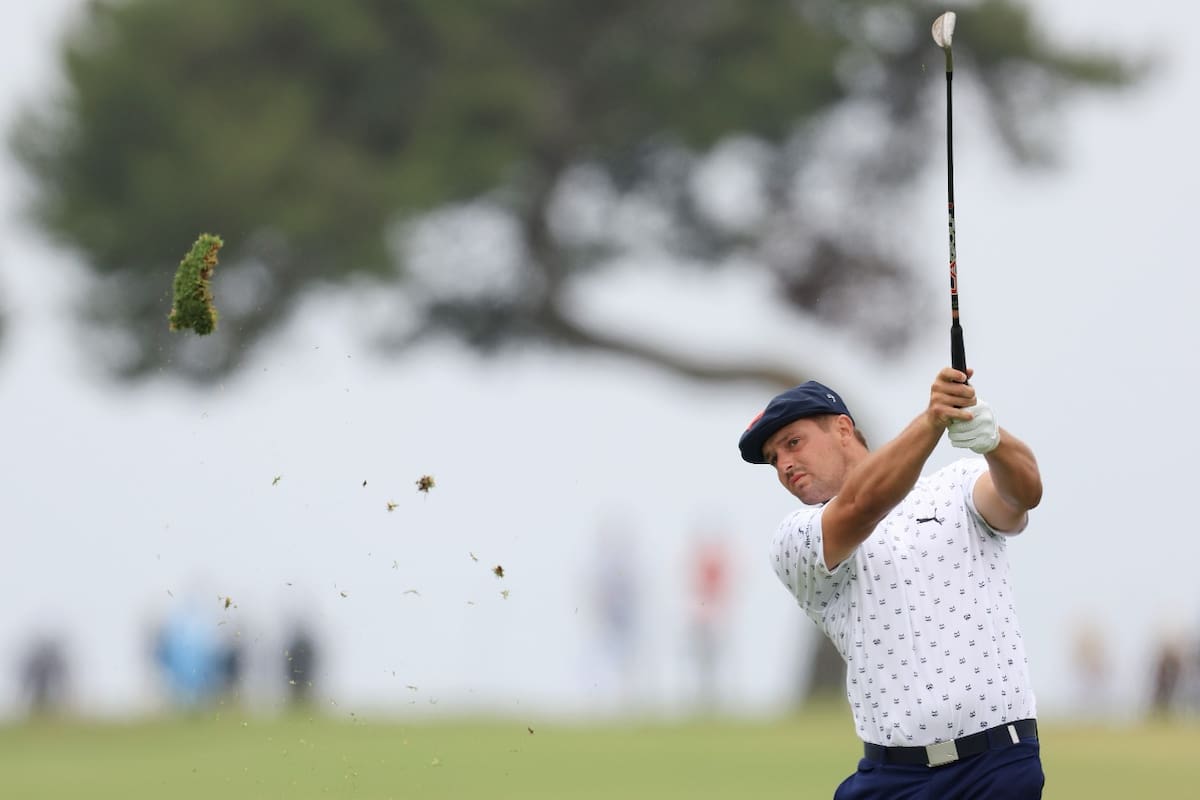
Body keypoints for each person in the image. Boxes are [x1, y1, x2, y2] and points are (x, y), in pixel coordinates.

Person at [739, 368, 1044, 799]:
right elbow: (864, 503)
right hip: (894, 780)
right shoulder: (797, 540)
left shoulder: (956, 486)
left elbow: (1023, 494)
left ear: (843, 428)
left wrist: (995, 441)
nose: (785, 464)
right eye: (773, 459)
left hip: (997, 767)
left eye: (793, 443)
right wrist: (932, 420)